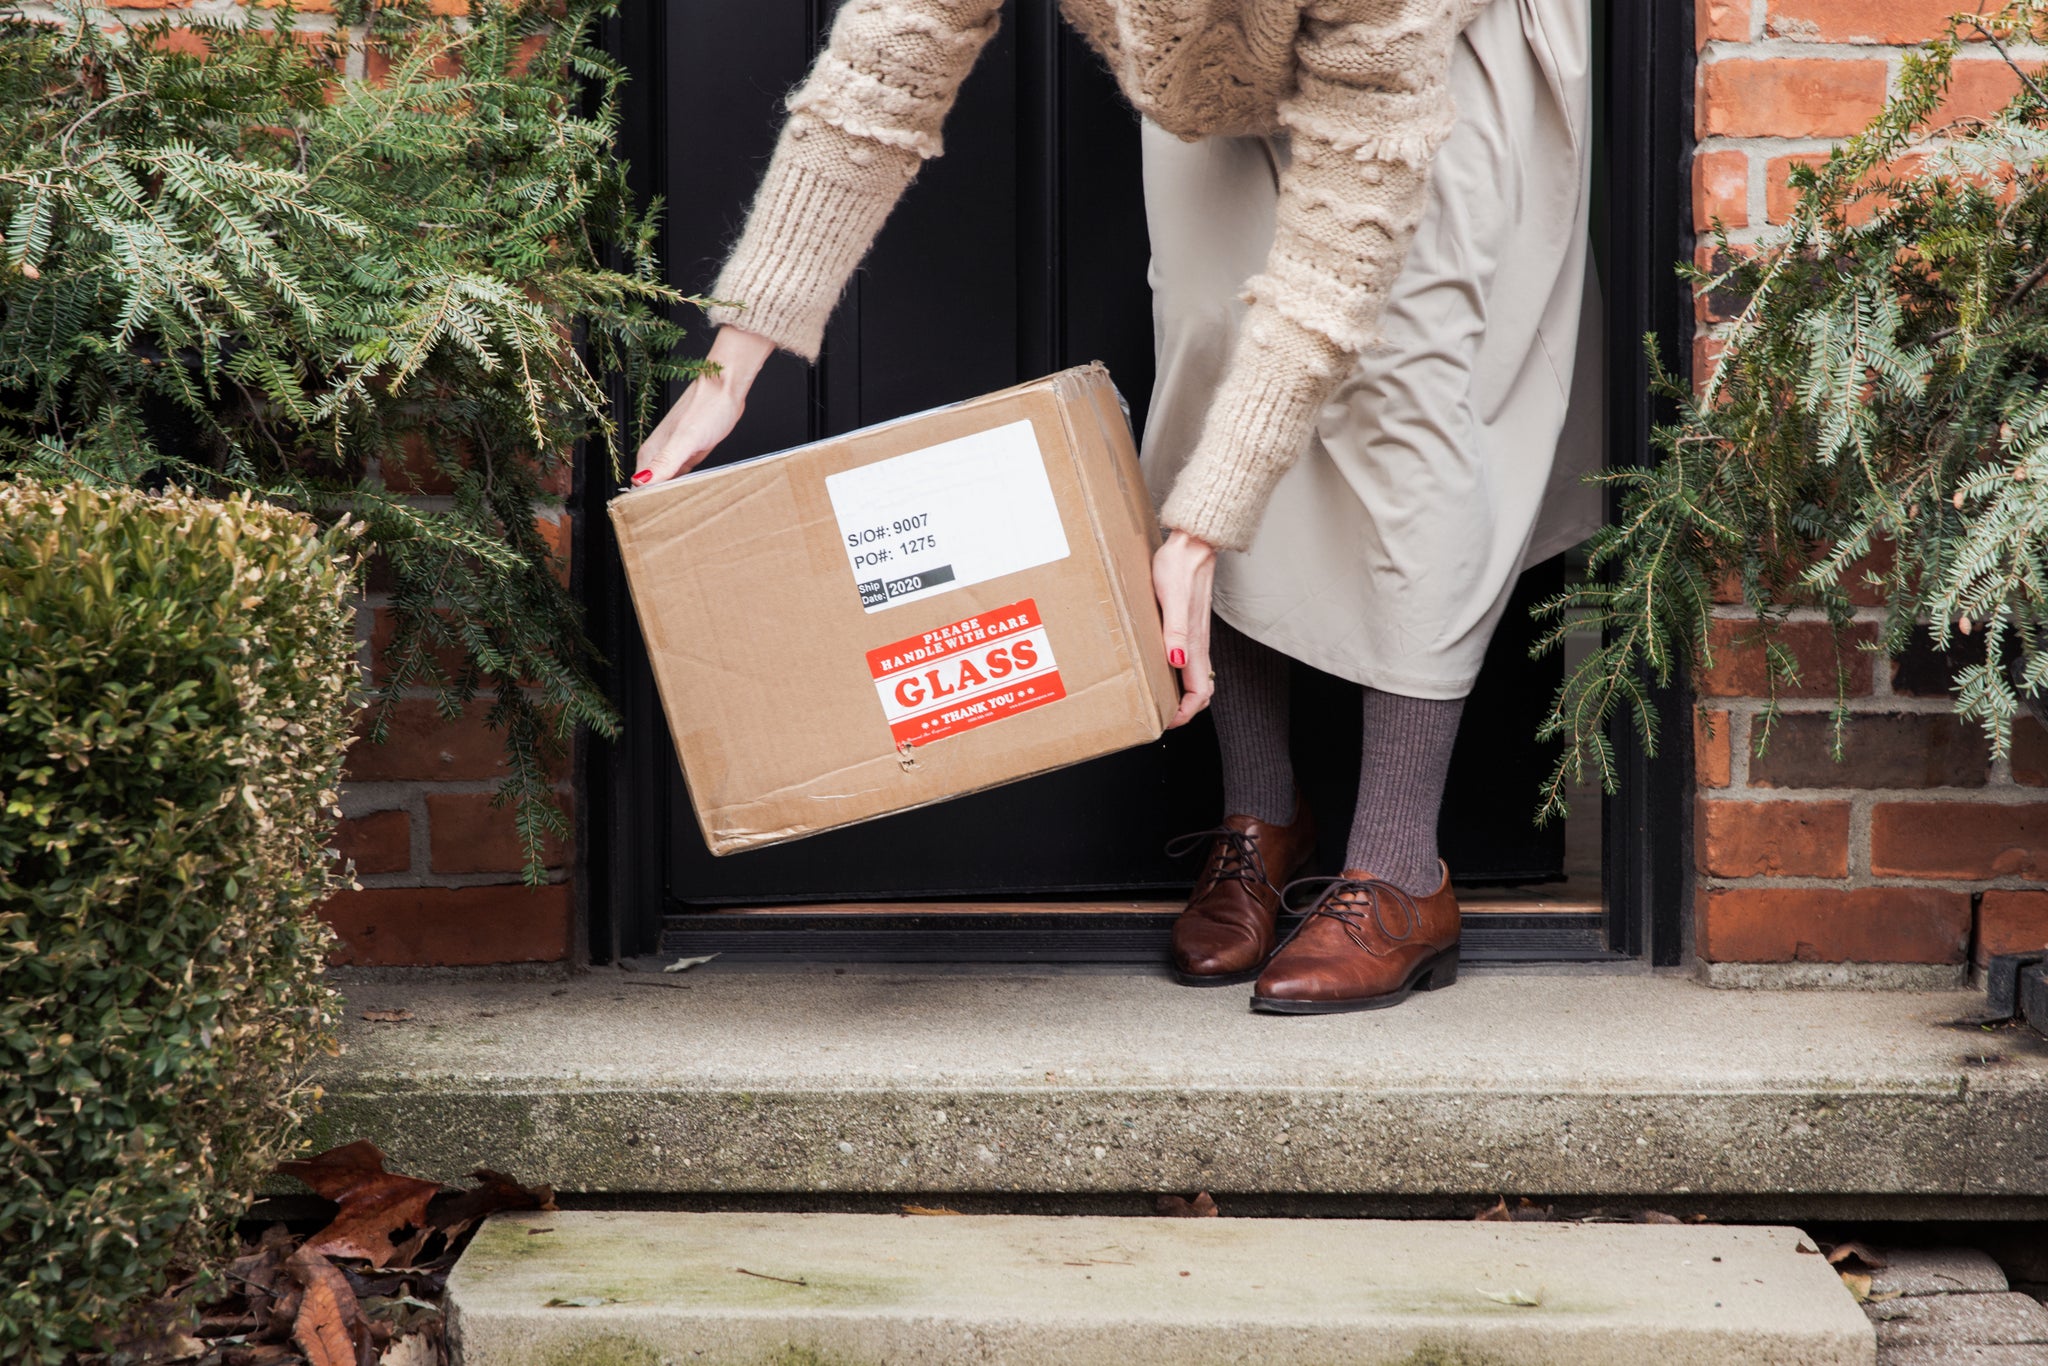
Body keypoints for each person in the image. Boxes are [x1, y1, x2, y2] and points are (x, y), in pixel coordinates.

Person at [634, 0, 1602, 1014]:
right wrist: (732, 363)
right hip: (1212, 67)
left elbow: (1333, 273)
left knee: (1401, 387)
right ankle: (1263, 815)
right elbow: (886, 64)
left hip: (1419, 48)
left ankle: (1399, 867)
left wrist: (1202, 528)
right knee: (1205, 347)